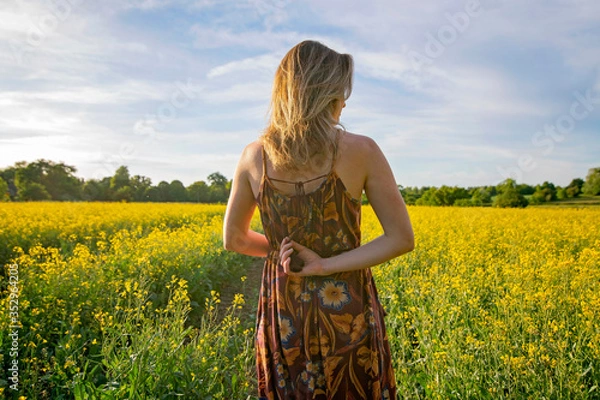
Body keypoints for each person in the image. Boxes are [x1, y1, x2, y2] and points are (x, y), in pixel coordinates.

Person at [223, 40, 414, 399]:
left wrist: (283, 252)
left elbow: (234, 239)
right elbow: (401, 238)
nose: (345, 100)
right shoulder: (361, 151)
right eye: (342, 90)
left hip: (285, 308)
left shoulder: (254, 156)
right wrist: (325, 264)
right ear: (327, 93)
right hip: (347, 307)